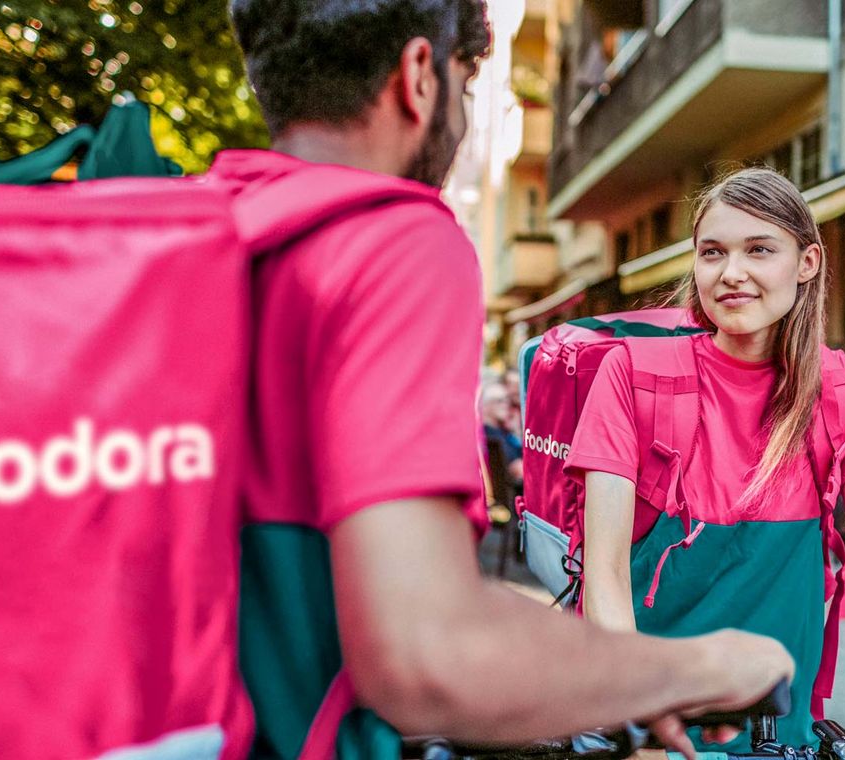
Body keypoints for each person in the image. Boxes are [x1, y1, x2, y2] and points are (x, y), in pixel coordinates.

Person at [217, 2, 794, 757]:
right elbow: (428, 657)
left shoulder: (215, 227)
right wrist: (703, 666)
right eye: (466, 82)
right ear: (420, 75)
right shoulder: (396, 242)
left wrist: (608, 678)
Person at [566, 168, 845, 759]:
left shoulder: (840, 386)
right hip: (652, 729)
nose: (731, 273)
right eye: (712, 252)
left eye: (759, 250)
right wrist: (640, 737)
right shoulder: (632, 375)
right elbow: (605, 572)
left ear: (807, 262)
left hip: (780, 734)